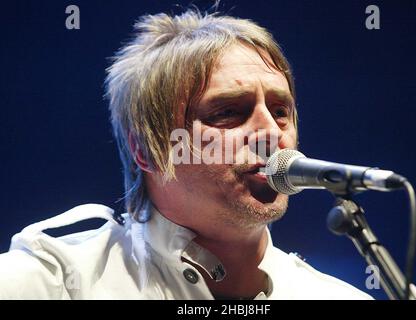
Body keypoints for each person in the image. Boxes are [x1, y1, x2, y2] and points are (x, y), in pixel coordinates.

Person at [0, 10, 371, 299]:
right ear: (146, 149)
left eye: (280, 110)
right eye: (228, 112)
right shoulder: (51, 285)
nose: (271, 133)